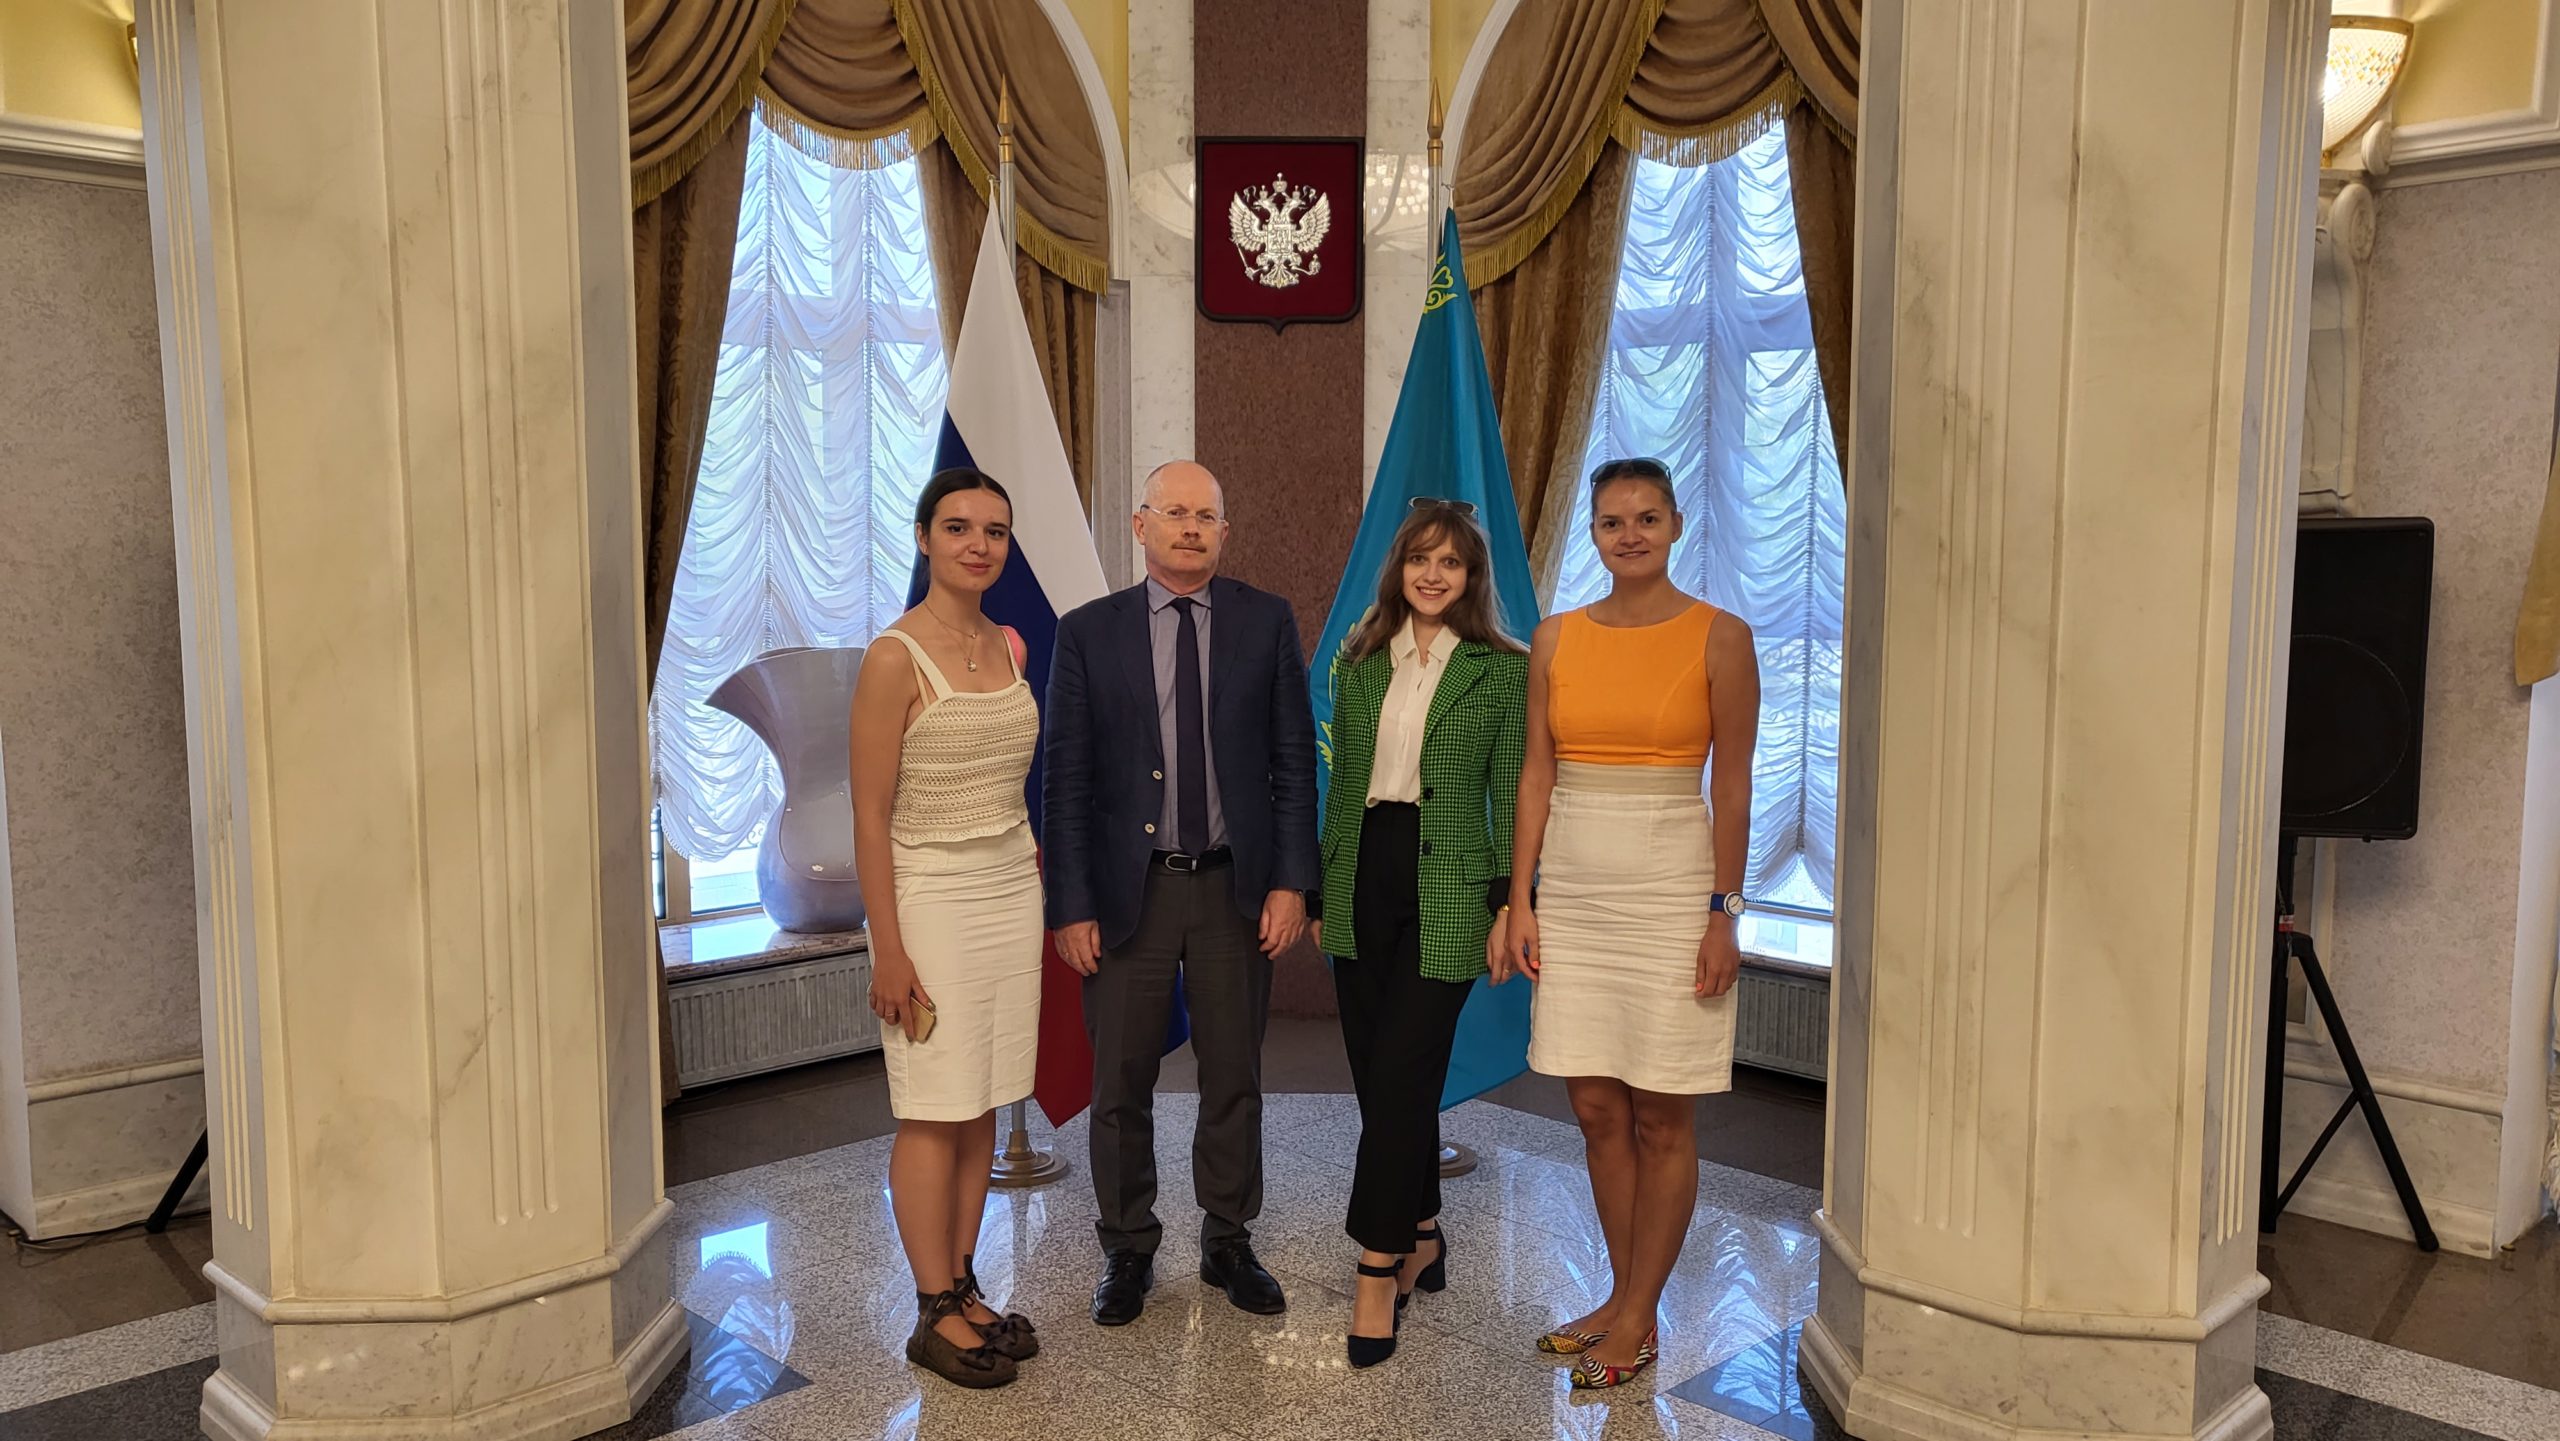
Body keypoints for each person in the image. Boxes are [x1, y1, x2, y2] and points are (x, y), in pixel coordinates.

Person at [1498, 456, 1759, 1390]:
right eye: (1613, 520)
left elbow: (1735, 785)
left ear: (1677, 524)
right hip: (1574, 884)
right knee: (1595, 1106)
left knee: (1661, 1111)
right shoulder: (1556, 637)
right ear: (1595, 534)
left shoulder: (1721, 636)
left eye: (1648, 517)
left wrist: (1724, 912)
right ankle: (1619, 1297)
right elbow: (1537, 773)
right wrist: (1520, 898)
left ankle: (1640, 1315)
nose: (1631, 533)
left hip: (1672, 885)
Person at [1042, 459, 1319, 1327]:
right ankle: (1127, 1245)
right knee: (1119, 1080)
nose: (1191, 527)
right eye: (1175, 512)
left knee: (1233, 1072)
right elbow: (1065, 779)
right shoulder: (1087, 633)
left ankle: (1228, 1237)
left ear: (1225, 532)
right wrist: (1070, 904)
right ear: (1141, 525)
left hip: (1236, 888)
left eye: (1207, 515)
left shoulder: (1267, 621)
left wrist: (1293, 882)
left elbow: (1293, 763)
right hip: (1130, 895)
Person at [1311, 499, 1527, 1368]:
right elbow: (1341, 783)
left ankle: (1378, 1265)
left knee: (1403, 1072)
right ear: (1398, 568)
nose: (1433, 575)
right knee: (1380, 1076)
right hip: (1361, 871)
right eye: (1419, 559)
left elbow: (1512, 792)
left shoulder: (1502, 670)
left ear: (1472, 577)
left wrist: (1511, 903)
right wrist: (1323, 887)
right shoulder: (1360, 658)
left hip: (1451, 885)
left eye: (1451, 562)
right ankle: (1426, 1229)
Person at [850, 468, 1046, 1389]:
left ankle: (964, 1284)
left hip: (1009, 888)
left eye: (995, 531)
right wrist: (888, 948)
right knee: (934, 1104)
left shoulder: (1009, 643)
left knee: (984, 1097)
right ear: (925, 536)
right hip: (928, 896)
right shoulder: (894, 656)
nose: (979, 544)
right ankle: (931, 1310)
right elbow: (868, 811)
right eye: (960, 527)